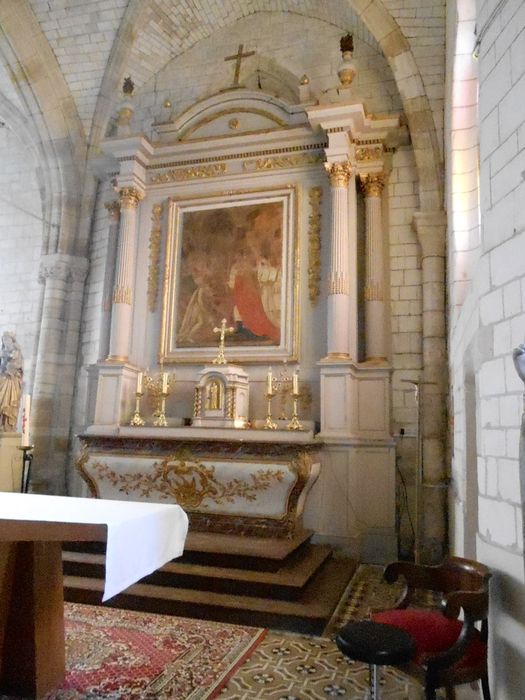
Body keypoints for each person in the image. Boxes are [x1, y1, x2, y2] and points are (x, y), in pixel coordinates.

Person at [0, 331, 23, 431]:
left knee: (9, 404)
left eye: (8, 339)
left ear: (12, 341)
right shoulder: (1, 353)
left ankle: (7, 426)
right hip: (2, 380)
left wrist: (10, 368)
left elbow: (18, 367)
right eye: (4, 340)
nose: (6, 342)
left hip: (11, 382)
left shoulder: (17, 354)